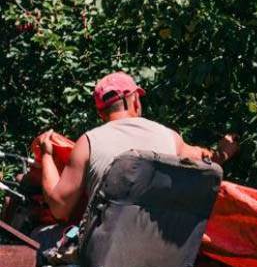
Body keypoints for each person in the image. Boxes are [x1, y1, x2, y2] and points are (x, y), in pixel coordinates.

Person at [35, 71, 238, 222]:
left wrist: (46, 154)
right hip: (164, 252)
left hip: (105, 259)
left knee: (41, 237)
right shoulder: (169, 137)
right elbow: (208, 159)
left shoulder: (88, 143)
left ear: (101, 113)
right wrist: (224, 151)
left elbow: (60, 208)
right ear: (134, 101)